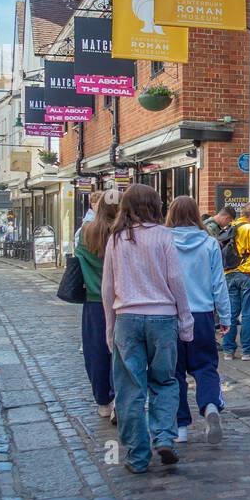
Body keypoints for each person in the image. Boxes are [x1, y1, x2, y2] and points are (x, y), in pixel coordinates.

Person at [101, 184, 194, 474]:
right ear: (155, 205)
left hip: (127, 317)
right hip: (163, 318)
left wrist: (109, 325)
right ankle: (165, 437)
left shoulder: (116, 239)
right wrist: (186, 318)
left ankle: (138, 456)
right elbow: (176, 278)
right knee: (165, 382)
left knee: (130, 389)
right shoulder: (164, 236)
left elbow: (108, 287)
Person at [167, 197, 231, 445]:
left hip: (171, 314)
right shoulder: (210, 243)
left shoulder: (164, 242)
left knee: (174, 373)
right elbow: (218, 284)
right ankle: (211, 406)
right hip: (202, 314)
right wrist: (225, 317)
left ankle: (181, 427)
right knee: (205, 367)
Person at [76, 192, 121, 423]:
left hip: (94, 299)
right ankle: (120, 398)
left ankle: (104, 401)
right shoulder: (124, 233)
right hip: (122, 300)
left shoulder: (85, 233)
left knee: (96, 352)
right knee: (121, 352)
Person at [220, 201, 250, 360]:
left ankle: (228, 350)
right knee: (248, 313)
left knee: (231, 314)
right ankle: (247, 350)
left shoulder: (231, 226)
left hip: (230, 274)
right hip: (247, 273)